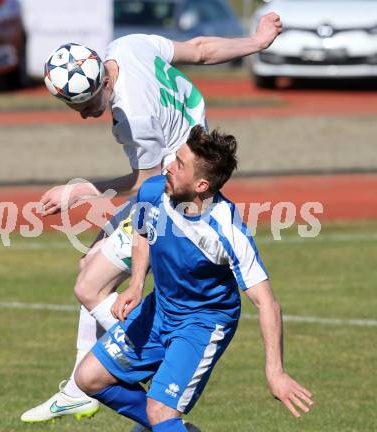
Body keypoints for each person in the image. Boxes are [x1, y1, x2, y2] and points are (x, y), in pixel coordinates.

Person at [21, 13, 284, 423]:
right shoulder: (127, 48)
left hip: (178, 192)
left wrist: (77, 190)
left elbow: (144, 185)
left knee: (91, 283)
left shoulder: (135, 119)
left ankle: (107, 380)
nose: (85, 114)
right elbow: (200, 49)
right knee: (90, 267)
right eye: (74, 106)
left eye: (88, 104)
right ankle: (91, 384)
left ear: (103, 83)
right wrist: (257, 42)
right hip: (187, 165)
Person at [73, 125, 314, 432]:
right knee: (89, 378)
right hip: (159, 308)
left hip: (202, 323)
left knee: (160, 410)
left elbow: (267, 303)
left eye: (179, 164)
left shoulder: (225, 230)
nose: (168, 166)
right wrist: (136, 283)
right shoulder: (154, 190)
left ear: (201, 184)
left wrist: (275, 371)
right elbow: (143, 233)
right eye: (175, 158)